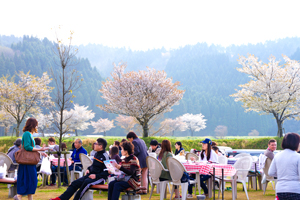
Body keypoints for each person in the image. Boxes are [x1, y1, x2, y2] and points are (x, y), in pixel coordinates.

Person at [14, 118, 48, 200]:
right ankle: (19, 196)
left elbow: (30, 149)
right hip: (27, 163)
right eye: (36, 124)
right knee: (30, 180)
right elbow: (27, 147)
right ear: (32, 125)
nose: (37, 126)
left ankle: (25, 197)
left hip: (29, 162)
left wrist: (40, 153)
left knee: (30, 181)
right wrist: (40, 149)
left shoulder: (29, 134)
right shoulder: (27, 134)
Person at [269, 133, 300, 200]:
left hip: (280, 189)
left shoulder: (277, 155)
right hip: (294, 189)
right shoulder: (298, 157)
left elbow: (271, 172)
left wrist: (281, 174)